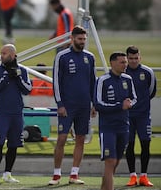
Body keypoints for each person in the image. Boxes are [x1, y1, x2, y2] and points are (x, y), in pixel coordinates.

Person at [49, 26, 96, 185]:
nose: (82, 42)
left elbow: (92, 82)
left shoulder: (89, 57)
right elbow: (56, 81)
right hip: (67, 106)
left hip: (84, 106)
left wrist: (94, 103)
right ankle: (56, 174)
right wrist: (60, 104)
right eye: (79, 39)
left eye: (84, 39)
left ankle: (74, 174)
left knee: (80, 139)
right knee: (61, 138)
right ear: (72, 39)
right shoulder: (62, 56)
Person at [0, 44, 32, 183]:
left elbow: (28, 89)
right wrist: (6, 77)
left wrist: (17, 78)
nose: (1, 56)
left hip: (17, 113)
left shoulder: (22, 70)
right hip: (2, 113)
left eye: (4, 53)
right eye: (1, 53)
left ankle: (8, 173)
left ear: (13, 55)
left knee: (14, 145)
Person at [94, 52, 137, 190]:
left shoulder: (128, 79)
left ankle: (104, 187)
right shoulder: (103, 80)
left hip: (124, 126)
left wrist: (130, 103)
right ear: (112, 63)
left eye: (125, 62)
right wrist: (120, 106)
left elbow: (134, 98)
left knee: (116, 161)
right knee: (110, 160)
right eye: (122, 62)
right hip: (108, 128)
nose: (126, 64)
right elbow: (98, 104)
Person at [125, 46, 157, 187]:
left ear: (140, 57)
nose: (133, 61)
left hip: (143, 116)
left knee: (145, 144)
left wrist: (141, 104)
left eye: (135, 58)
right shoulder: (123, 72)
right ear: (126, 58)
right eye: (130, 58)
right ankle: (132, 176)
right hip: (127, 116)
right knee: (129, 145)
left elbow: (152, 91)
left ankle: (144, 176)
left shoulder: (148, 72)